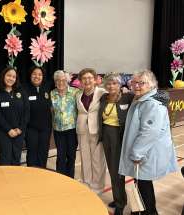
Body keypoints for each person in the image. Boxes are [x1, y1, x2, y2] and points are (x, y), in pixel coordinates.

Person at [119, 69, 178, 215]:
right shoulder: (142, 98)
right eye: (134, 82)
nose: (137, 86)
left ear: (151, 85)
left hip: (146, 152)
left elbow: (149, 132)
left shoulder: (152, 104)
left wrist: (137, 154)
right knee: (141, 182)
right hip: (144, 151)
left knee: (143, 183)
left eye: (142, 83)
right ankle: (140, 210)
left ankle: (149, 212)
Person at [98, 72, 134, 215]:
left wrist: (131, 90)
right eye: (108, 83)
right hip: (106, 135)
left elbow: (159, 97)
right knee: (112, 169)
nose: (111, 86)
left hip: (119, 136)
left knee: (118, 170)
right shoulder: (103, 98)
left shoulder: (127, 97)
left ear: (120, 85)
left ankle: (120, 203)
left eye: (114, 83)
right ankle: (118, 198)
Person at [76, 68, 106, 193]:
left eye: (90, 78)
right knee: (85, 157)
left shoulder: (102, 92)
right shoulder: (78, 94)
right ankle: (86, 181)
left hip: (97, 130)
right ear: (81, 81)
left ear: (95, 79)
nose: (87, 80)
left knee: (98, 159)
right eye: (84, 78)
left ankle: (97, 186)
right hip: (82, 129)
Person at [0, 67, 30, 165]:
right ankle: (4, 179)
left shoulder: (21, 92)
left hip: (19, 132)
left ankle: (15, 179)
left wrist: (20, 128)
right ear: (3, 76)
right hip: (4, 132)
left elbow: (27, 111)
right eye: (8, 75)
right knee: (5, 158)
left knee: (16, 157)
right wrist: (9, 129)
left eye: (13, 76)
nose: (11, 78)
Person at [51, 70, 79, 178]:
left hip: (72, 129)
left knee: (71, 156)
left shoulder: (75, 92)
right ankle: (60, 178)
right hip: (58, 130)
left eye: (63, 80)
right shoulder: (52, 93)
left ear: (67, 80)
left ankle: (70, 178)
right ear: (55, 82)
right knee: (61, 156)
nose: (61, 82)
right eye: (58, 80)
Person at [24, 66, 52, 168]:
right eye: (34, 74)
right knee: (32, 151)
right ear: (30, 75)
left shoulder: (48, 87)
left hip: (46, 127)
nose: (37, 76)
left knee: (43, 151)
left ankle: (42, 172)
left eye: (40, 74)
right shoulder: (24, 88)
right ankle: (31, 174)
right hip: (31, 127)